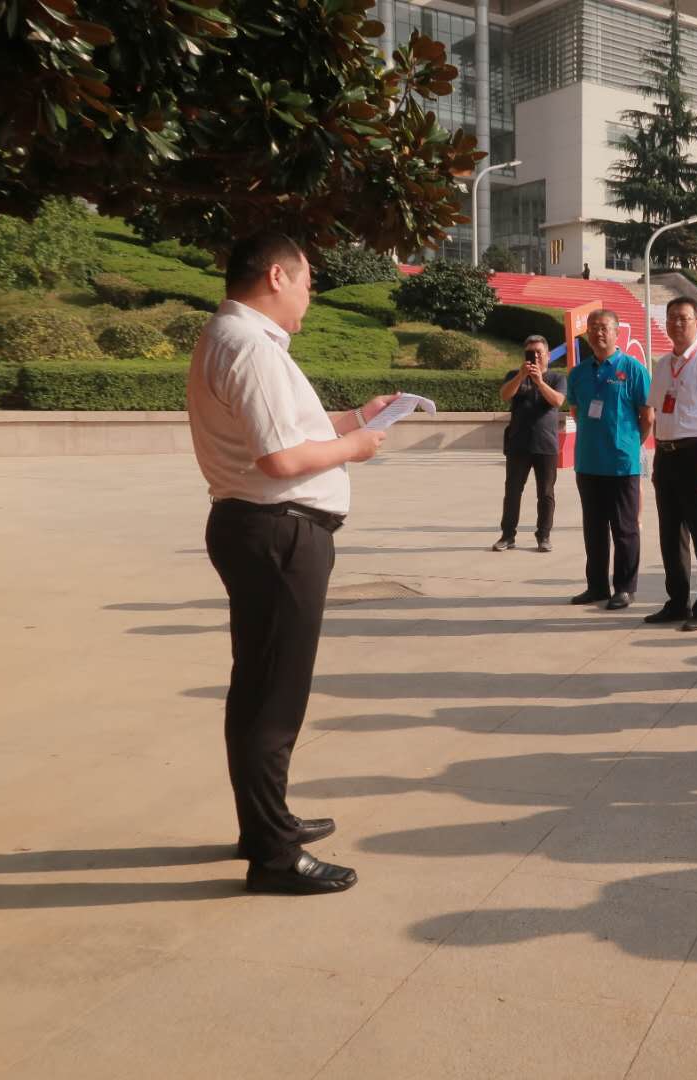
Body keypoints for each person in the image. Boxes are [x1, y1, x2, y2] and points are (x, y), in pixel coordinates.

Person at [188, 232, 395, 895]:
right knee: (275, 697)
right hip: (279, 533)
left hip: (260, 528)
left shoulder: (232, 337)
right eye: (307, 281)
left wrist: (353, 417)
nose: (310, 294)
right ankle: (273, 855)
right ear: (277, 277)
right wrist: (358, 446)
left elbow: (283, 430)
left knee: (258, 685)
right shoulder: (249, 346)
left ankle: (266, 824)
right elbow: (279, 459)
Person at [645, 297, 697, 631]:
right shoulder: (663, 364)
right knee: (670, 535)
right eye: (671, 318)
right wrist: (655, 459)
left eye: (683, 318)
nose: (676, 324)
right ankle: (677, 602)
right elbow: (655, 413)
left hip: (696, 455)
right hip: (666, 456)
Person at [567, 309, 653, 610]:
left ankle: (625, 588)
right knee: (593, 530)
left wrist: (628, 445)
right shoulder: (578, 373)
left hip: (621, 465)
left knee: (624, 529)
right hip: (588, 463)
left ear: (617, 332)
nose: (598, 333)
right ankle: (597, 586)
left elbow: (647, 416)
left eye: (604, 327)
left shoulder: (633, 369)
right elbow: (576, 411)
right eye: (593, 327)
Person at [492, 336, 567, 553]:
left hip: (546, 445)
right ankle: (507, 536)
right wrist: (521, 376)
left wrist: (539, 382)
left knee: (546, 493)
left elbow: (558, 401)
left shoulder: (556, 378)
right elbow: (505, 395)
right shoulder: (514, 375)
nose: (535, 357)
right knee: (513, 492)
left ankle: (543, 536)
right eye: (530, 353)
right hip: (518, 444)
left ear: (548, 355)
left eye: (539, 353)